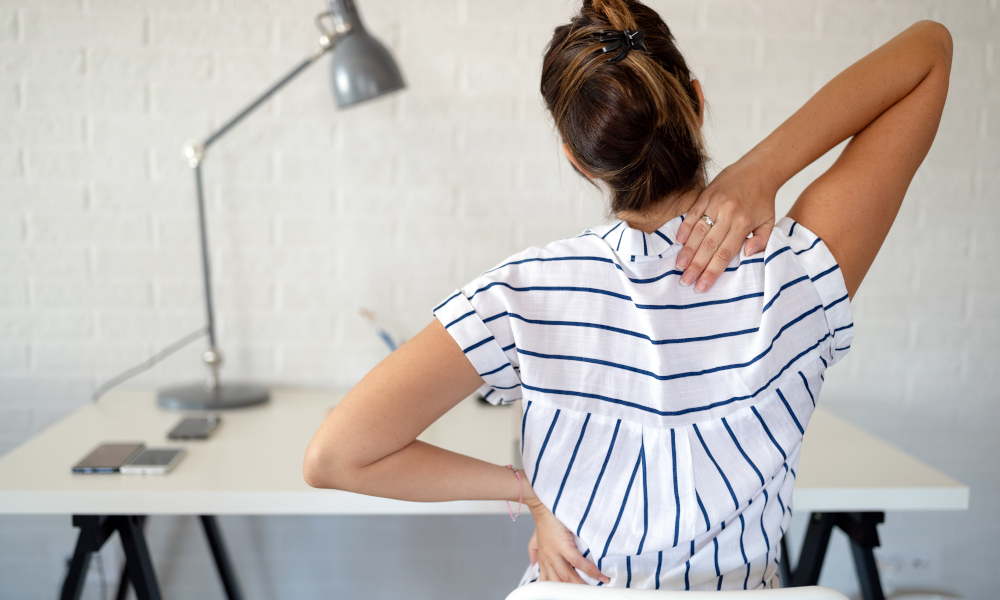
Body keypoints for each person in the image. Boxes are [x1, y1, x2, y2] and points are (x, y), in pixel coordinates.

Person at [303, 0, 952, 591]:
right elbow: (928, 49)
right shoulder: (793, 272)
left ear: (578, 160)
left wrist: (531, 493)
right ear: (696, 103)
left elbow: (336, 456)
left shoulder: (522, 296)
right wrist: (763, 168)